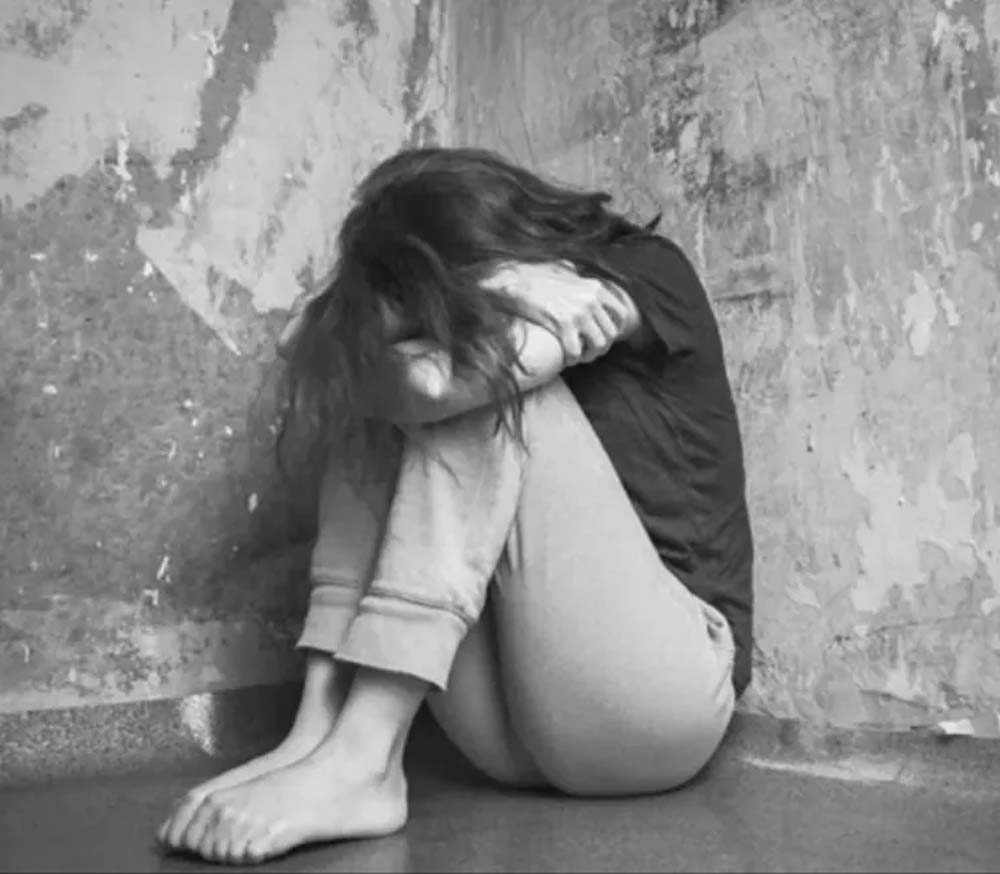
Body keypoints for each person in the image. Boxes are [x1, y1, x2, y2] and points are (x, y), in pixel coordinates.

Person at [157, 147, 754, 865]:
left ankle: (365, 759)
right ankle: (319, 735)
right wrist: (500, 284)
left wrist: (473, 296)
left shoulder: (644, 272)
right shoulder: (517, 283)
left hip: (663, 701)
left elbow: (447, 385)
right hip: (517, 726)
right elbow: (301, 342)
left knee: (480, 381)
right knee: (371, 387)